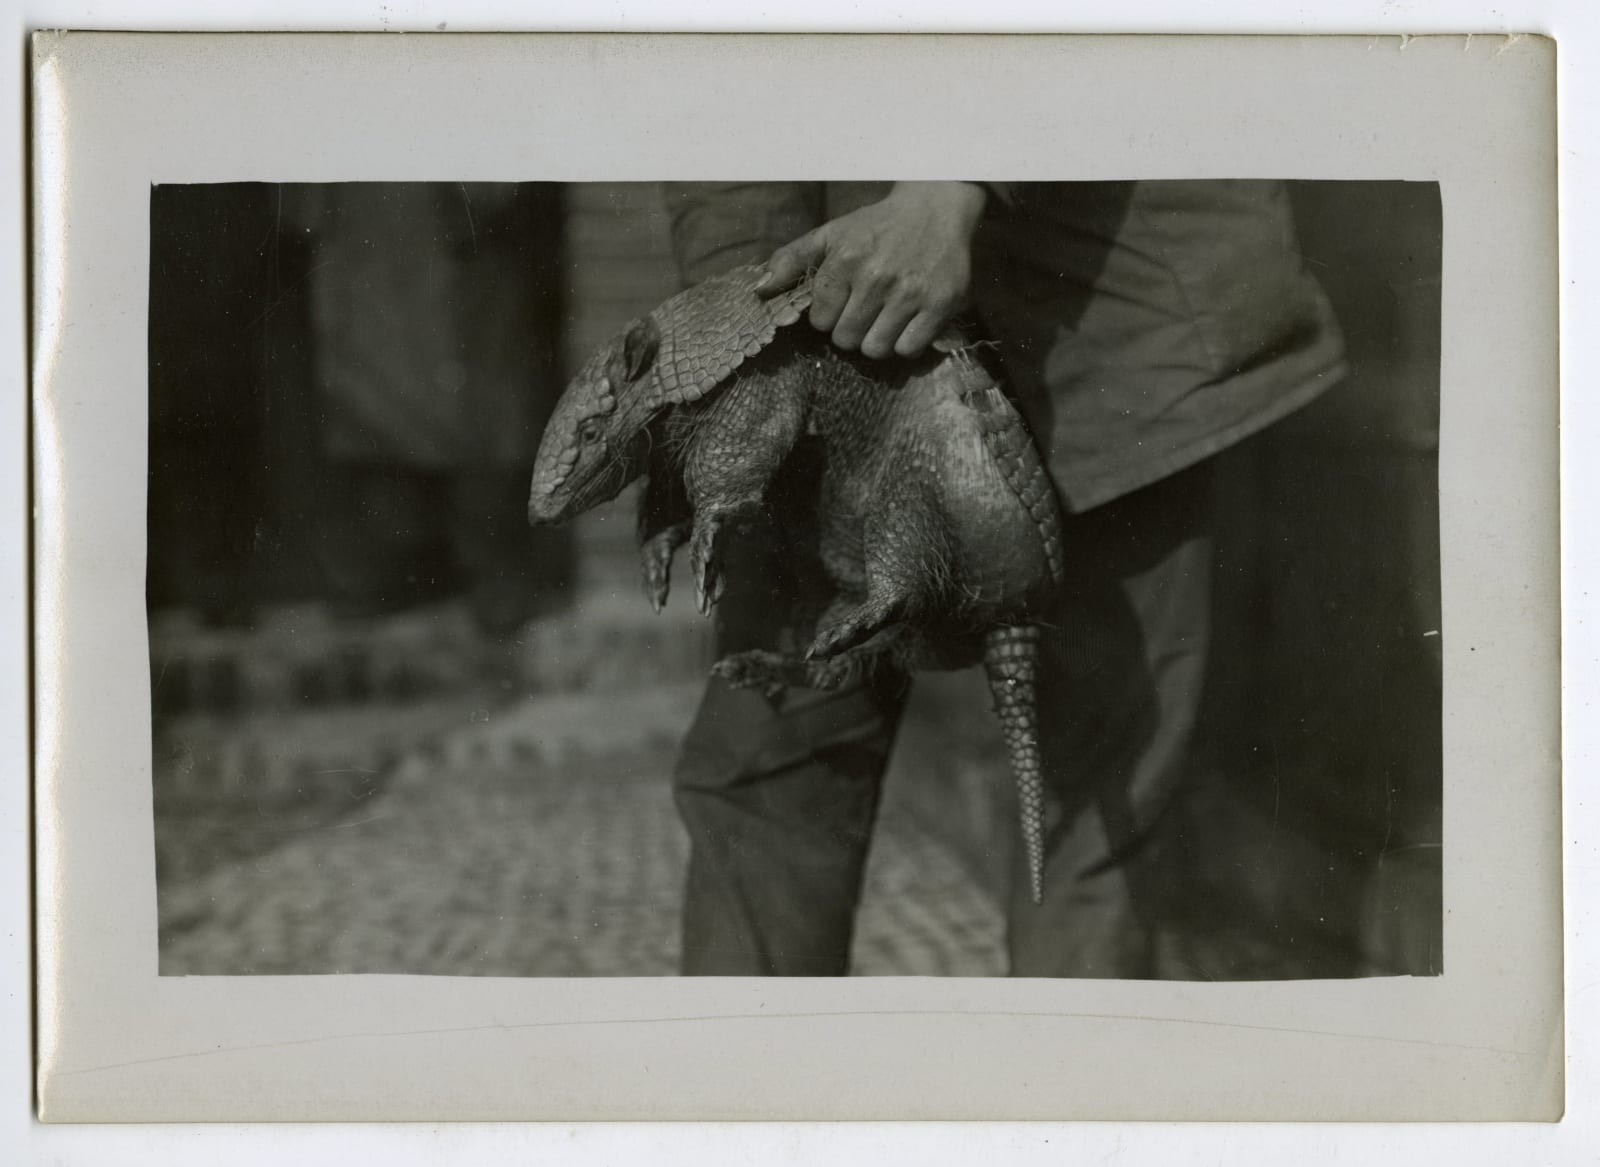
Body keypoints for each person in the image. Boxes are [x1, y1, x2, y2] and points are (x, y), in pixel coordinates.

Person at [660, 180, 1348, 978]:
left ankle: (1059, 1093)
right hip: (836, 352)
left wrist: (953, 181)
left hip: (1113, 331)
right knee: (768, 773)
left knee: (1098, 809)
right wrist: (754, 326)